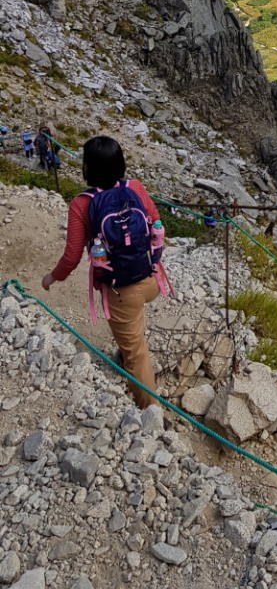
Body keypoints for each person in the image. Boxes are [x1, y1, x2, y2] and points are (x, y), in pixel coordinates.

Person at [41, 136, 165, 409]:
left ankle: (152, 412)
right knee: (133, 332)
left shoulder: (81, 204)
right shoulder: (135, 187)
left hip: (122, 290)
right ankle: (125, 353)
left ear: (87, 168)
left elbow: (72, 255)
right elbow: (155, 221)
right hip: (153, 278)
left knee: (137, 353)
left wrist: (52, 277)